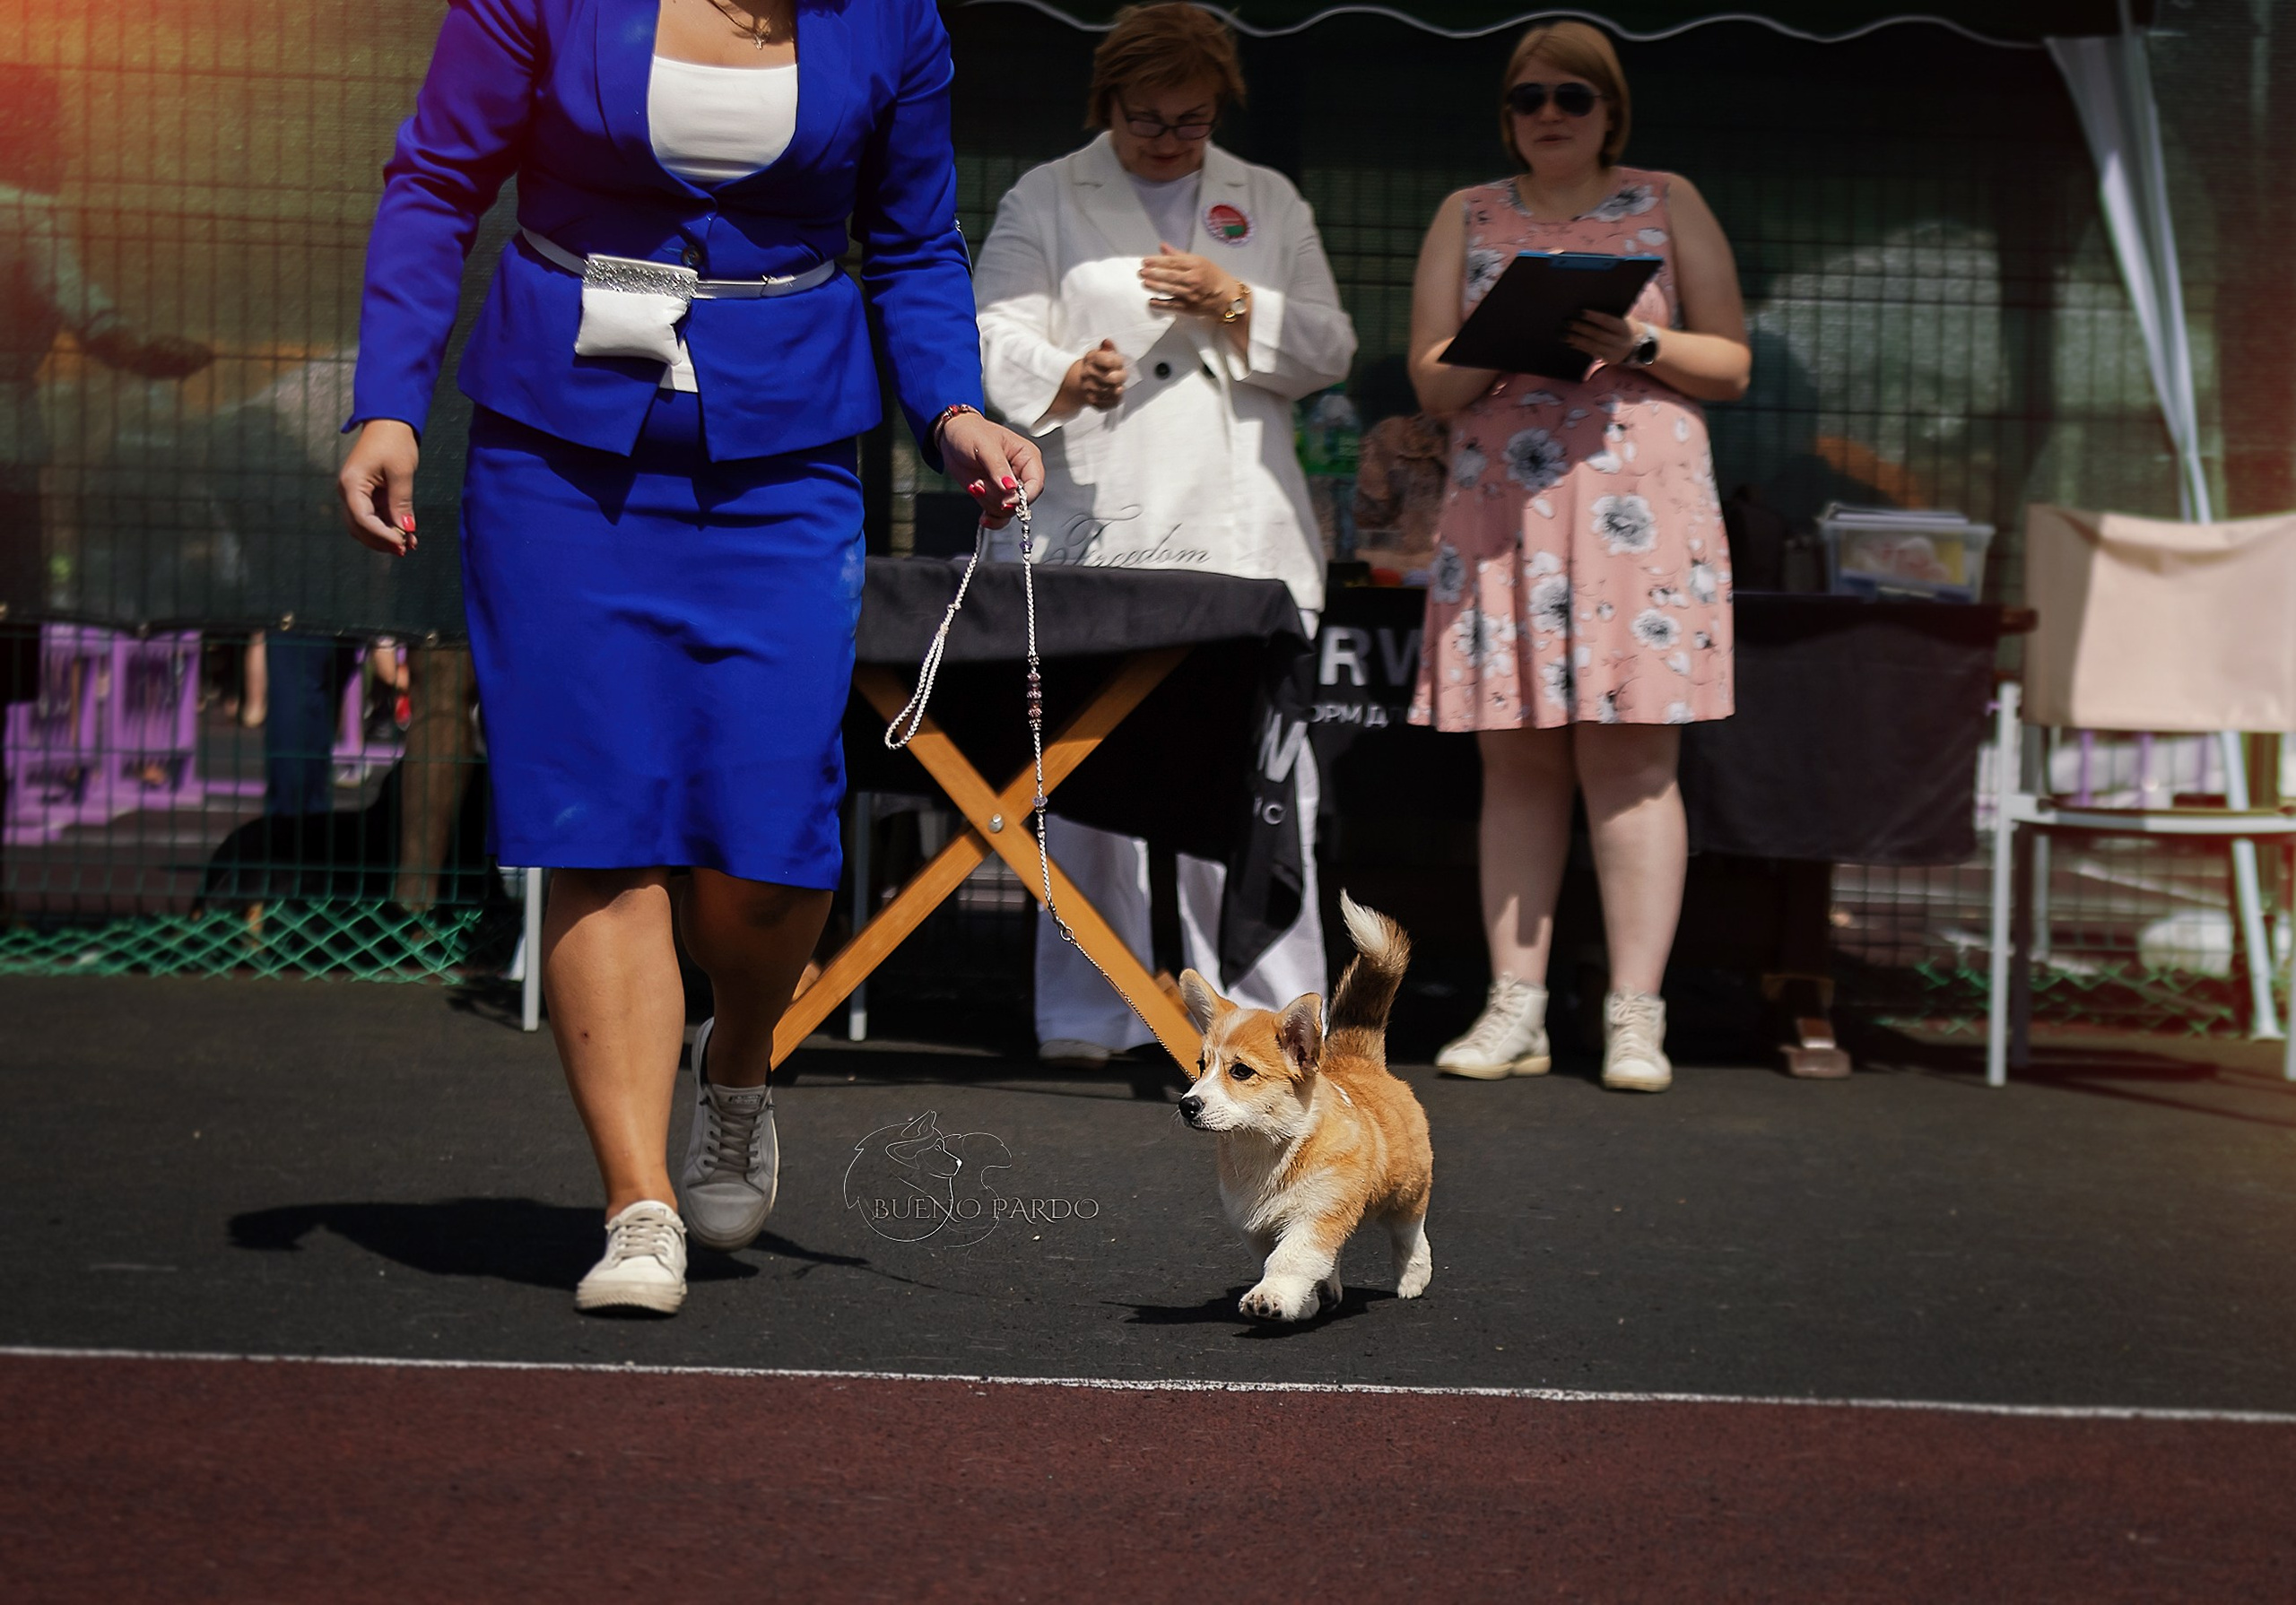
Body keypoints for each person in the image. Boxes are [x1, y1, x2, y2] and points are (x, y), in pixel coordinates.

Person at [337, 0, 1041, 1315]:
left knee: (769, 845)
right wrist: (388, 399)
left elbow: (911, 240)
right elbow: (437, 180)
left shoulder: (894, 18)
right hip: (557, 446)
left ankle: (740, 1064)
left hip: (785, 457)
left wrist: (951, 409)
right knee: (595, 815)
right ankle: (639, 1201)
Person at [972, 1, 1356, 1067]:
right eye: (1148, 120)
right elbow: (989, 323)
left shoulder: (1262, 199)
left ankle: (1275, 1032)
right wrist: (1063, 374)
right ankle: (1093, 1015)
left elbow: (1330, 343)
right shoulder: (1047, 194)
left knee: (1243, 778)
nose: (1168, 139)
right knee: (1088, 780)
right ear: (1109, 104)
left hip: (1237, 528)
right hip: (1098, 516)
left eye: (1190, 122)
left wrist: (1238, 302)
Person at [1405, 21, 1748, 1093]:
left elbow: (1731, 360)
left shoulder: (1667, 196)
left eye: (1573, 97)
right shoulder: (1466, 213)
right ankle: (1516, 1003)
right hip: (1504, 510)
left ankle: (1633, 1014)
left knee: (1634, 761)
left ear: (1611, 111)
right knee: (1515, 756)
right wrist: (1511, 332)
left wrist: (1639, 342)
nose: (1549, 114)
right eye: (1527, 99)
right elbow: (1429, 382)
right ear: (1505, 115)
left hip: (1637, 510)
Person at [0, 64, 211, 619]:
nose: (63, 151)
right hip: (7, 447)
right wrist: (142, 353)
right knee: (10, 615)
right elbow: (86, 314)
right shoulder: (25, 213)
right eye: (51, 129)